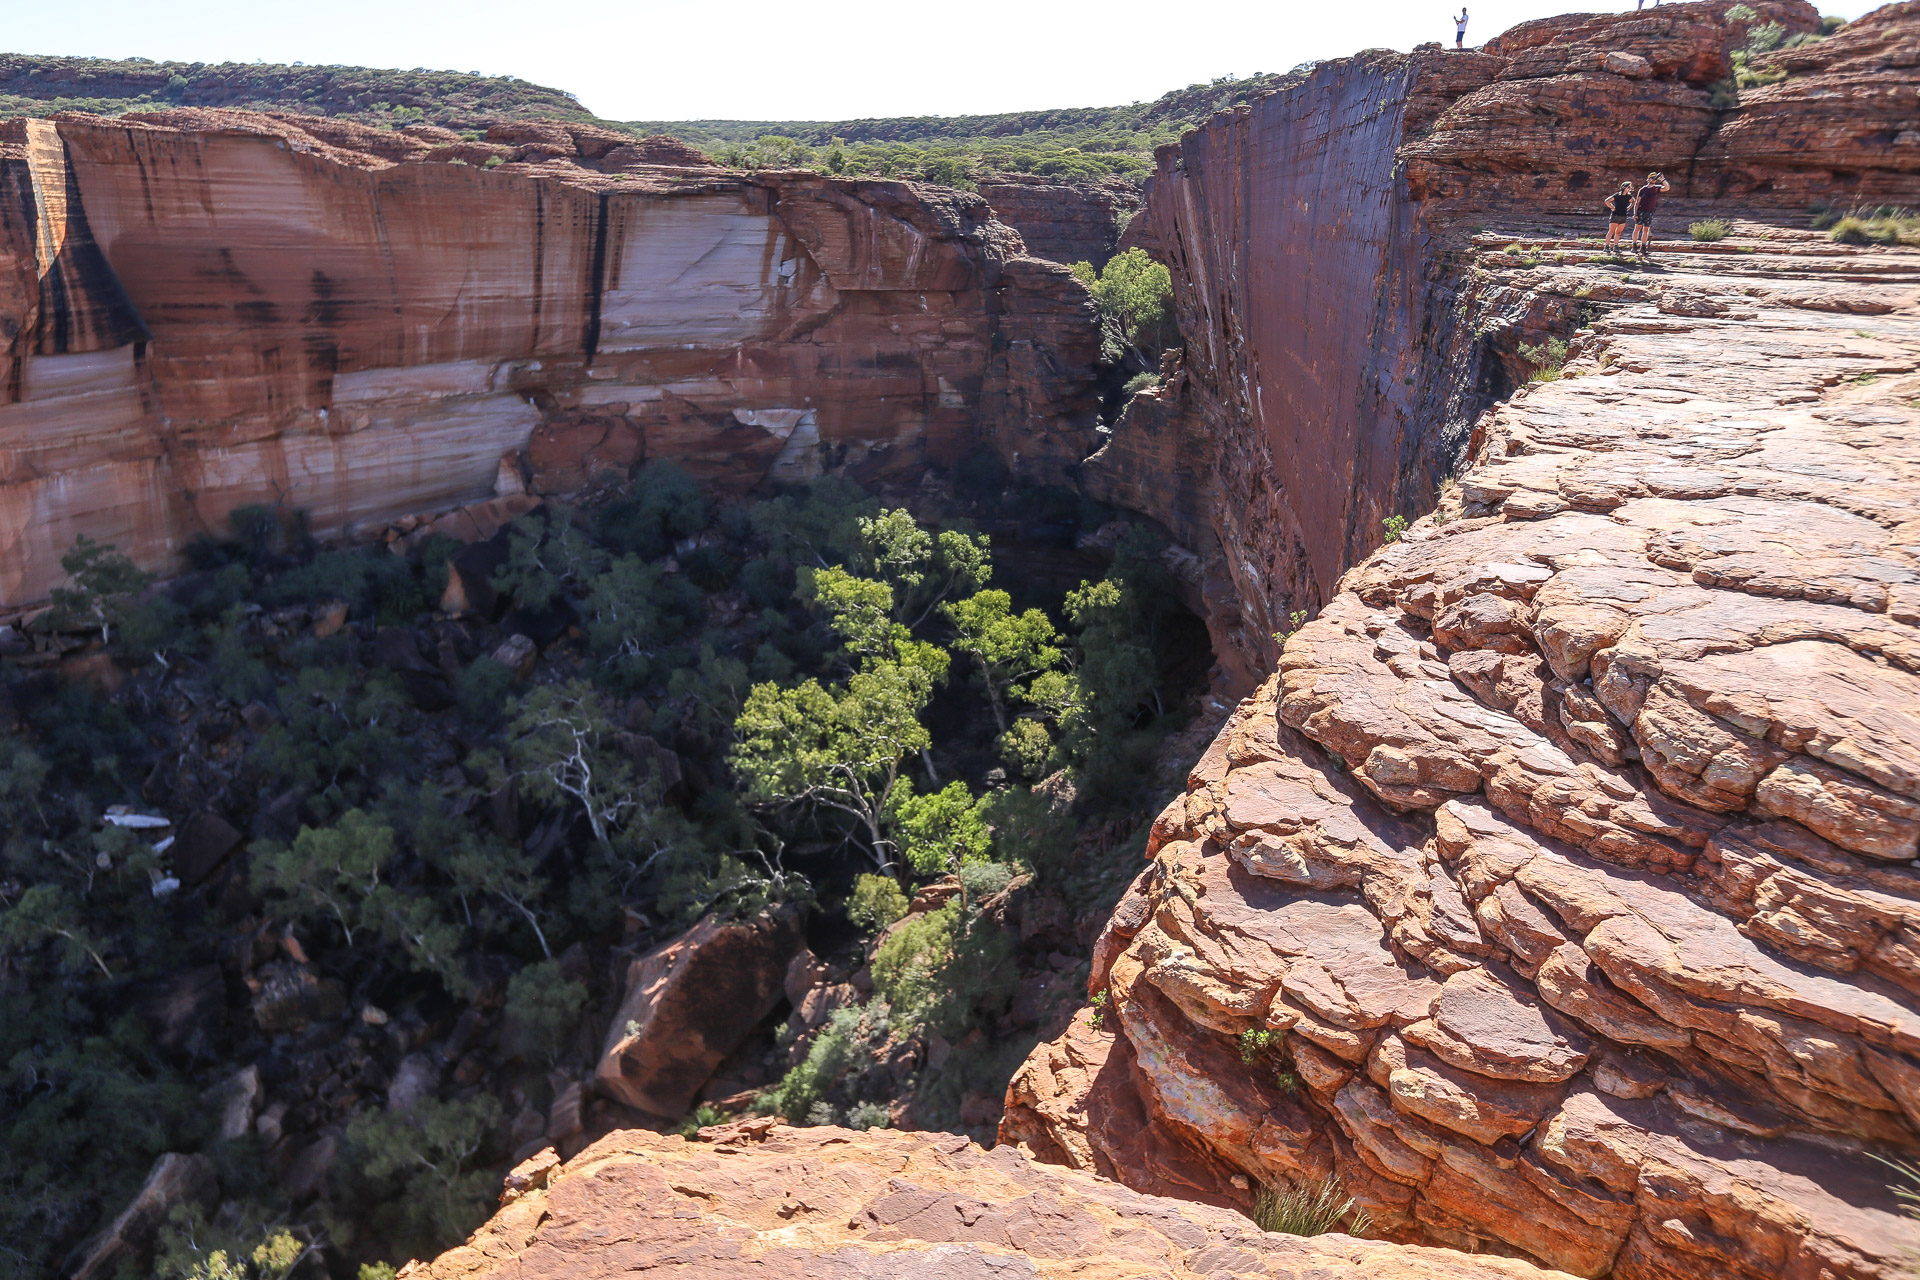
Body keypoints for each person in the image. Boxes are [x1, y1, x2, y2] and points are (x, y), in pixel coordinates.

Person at [1632, 171, 1671, 255]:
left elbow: (1667, 188)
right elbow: (1637, 202)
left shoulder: (1656, 188)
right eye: (1652, 178)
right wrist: (1635, 213)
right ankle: (1634, 246)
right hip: (1641, 211)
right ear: (1648, 179)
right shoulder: (1643, 189)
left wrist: (1662, 179)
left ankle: (1643, 247)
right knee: (1637, 228)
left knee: (1646, 229)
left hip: (1649, 212)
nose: (1653, 179)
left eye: (1654, 178)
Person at [1603, 181, 1634, 246]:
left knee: (1618, 232)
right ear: (1624, 187)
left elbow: (1633, 202)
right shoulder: (1617, 195)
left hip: (1623, 215)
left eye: (1630, 187)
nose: (1630, 188)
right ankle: (1606, 246)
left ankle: (1616, 246)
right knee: (1611, 231)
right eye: (1628, 187)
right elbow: (1607, 201)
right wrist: (1612, 207)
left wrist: (1628, 208)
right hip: (1615, 215)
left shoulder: (1628, 196)